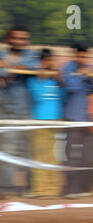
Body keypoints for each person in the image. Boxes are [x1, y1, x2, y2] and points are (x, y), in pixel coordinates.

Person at [0, 25, 39, 196]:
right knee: (7, 150)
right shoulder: (1, 55)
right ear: (9, 39)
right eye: (16, 38)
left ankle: (28, 188)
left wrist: (8, 67)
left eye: (23, 39)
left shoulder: (32, 56)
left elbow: (34, 67)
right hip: (6, 111)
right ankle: (7, 189)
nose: (19, 42)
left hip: (27, 111)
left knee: (28, 150)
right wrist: (10, 68)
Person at [26, 48, 65, 198]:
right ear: (41, 60)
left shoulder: (57, 77)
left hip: (57, 121)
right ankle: (41, 190)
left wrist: (59, 77)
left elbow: (64, 93)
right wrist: (41, 78)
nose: (48, 62)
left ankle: (53, 189)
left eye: (50, 59)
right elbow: (37, 97)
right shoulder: (34, 78)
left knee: (55, 155)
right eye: (45, 60)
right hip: (40, 120)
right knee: (40, 155)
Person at [61, 43, 93, 198]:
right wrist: (82, 75)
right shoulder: (68, 68)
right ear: (75, 55)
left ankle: (83, 187)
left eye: (85, 55)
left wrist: (89, 77)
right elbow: (70, 87)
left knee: (87, 155)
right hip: (72, 118)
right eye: (80, 55)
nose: (82, 58)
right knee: (72, 155)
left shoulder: (89, 68)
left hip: (87, 119)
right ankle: (71, 189)